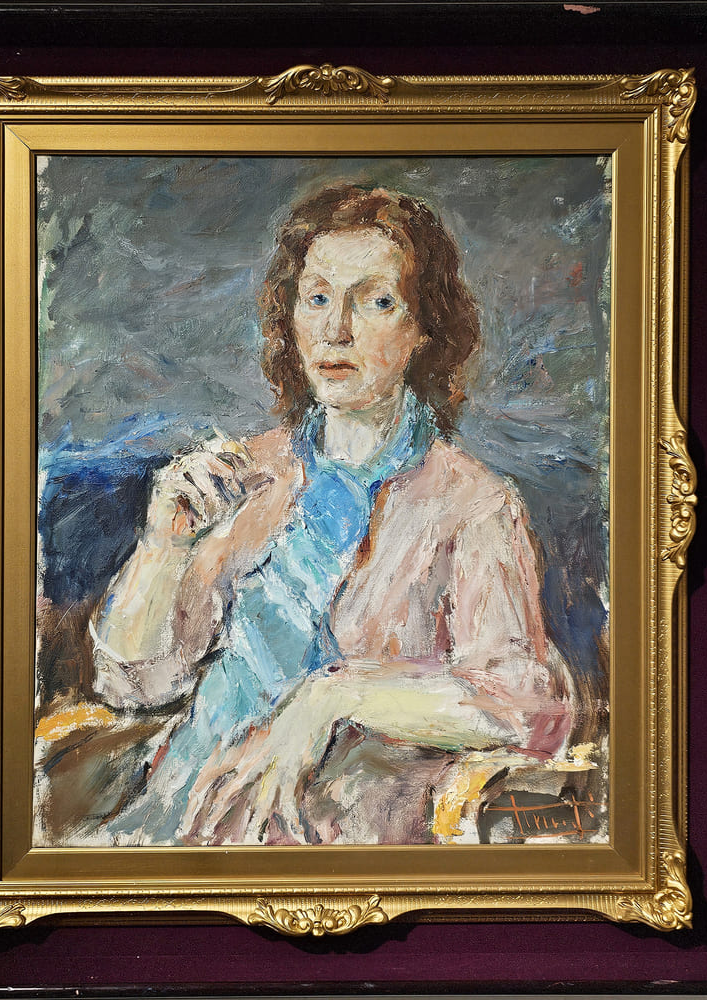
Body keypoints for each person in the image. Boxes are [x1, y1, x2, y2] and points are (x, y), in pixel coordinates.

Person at [88, 184, 575, 846]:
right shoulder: (246, 476)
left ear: (423, 329)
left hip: (333, 833)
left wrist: (334, 696)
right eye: (317, 298)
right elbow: (134, 683)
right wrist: (161, 548)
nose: (336, 330)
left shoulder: (474, 504)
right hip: (183, 806)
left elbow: (524, 707)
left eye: (375, 302)